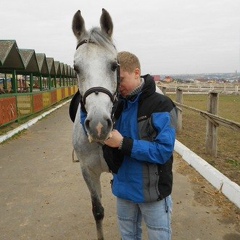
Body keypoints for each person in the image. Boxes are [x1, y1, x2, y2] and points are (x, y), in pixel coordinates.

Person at [103, 51, 178, 240]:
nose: (118, 87)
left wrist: (123, 144)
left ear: (137, 73)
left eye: (121, 80)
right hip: (123, 191)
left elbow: (163, 151)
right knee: (128, 237)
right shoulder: (114, 106)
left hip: (153, 194)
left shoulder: (161, 105)